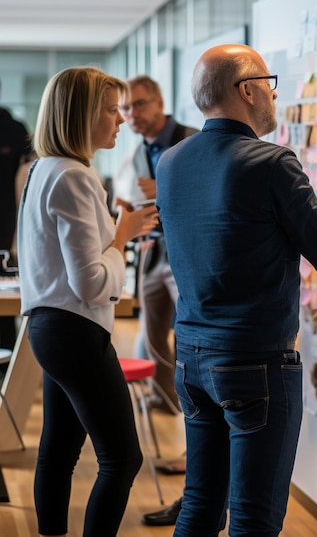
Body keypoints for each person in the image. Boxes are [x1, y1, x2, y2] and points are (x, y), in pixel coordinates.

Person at [156, 43, 317, 536]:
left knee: (199, 506)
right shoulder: (271, 162)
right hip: (255, 364)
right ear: (248, 89)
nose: (274, 97)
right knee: (254, 520)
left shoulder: (170, 163)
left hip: (192, 359)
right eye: (270, 84)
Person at [17, 67, 159, 537]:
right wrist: (123, 235)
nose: (121, 119)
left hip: (51, 329)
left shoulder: (43, 168)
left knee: (57, 452)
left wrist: (118, 236)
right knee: (123, 459)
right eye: (111, 109)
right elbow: (93, 283)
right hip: (75, 331)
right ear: (82, 115)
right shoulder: (75, 177)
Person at [114, 75, 197, 414]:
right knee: (152, 331)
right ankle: (164, 400)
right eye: (125, 107)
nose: (132, 113)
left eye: (139, 104)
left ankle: (191, 404)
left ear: (160, 103)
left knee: (187, 333)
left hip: (187, 254)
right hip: (152, 251)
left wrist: (162, 194)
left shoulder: (193, 141)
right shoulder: (138, 153)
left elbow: (210, 196)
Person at [0, 78, 31, 359]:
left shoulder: (13, 130)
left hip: (6, 233)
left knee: (4, 308)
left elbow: (27, 185)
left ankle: (6, 373)